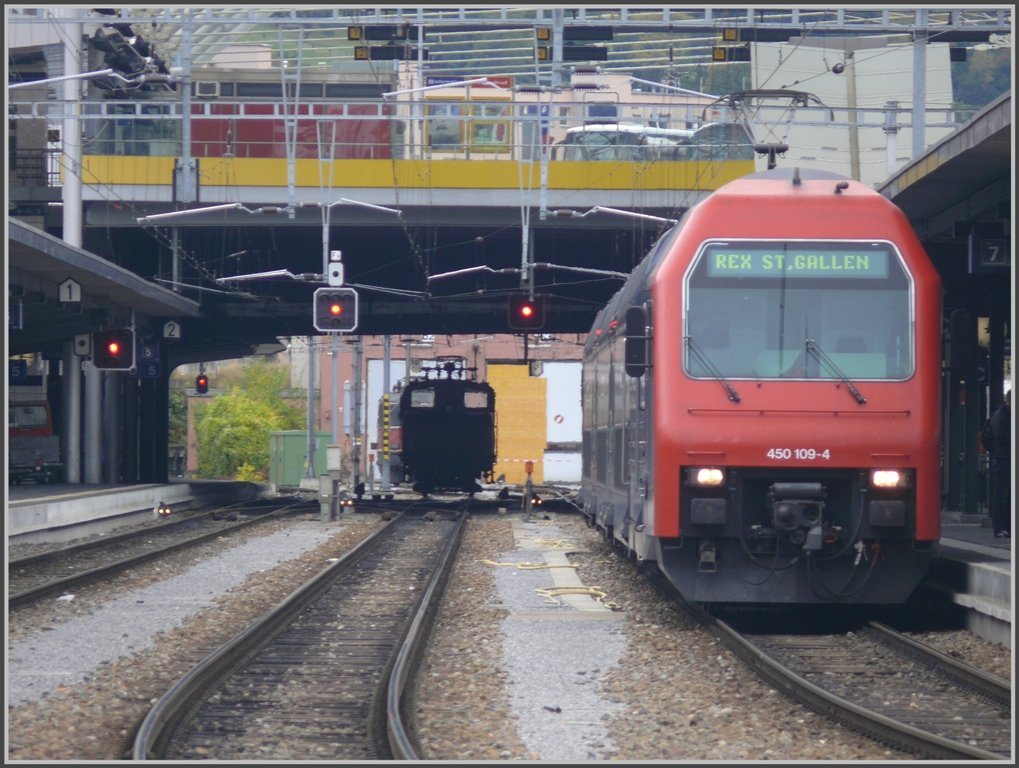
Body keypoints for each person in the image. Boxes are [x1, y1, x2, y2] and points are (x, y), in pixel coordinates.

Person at [984, 389, 1012, 538]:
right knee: (1002, 493)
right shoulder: (1001, 415)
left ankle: (1007, 526)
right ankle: (1000, 527)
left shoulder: (1004, 414)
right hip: (1003, 459)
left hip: (1007, 458)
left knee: (1007, 494)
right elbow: (1000, 437)